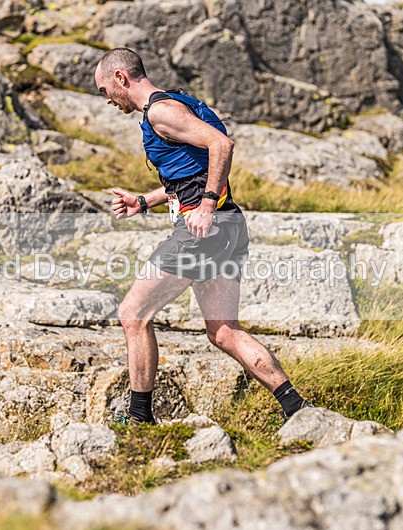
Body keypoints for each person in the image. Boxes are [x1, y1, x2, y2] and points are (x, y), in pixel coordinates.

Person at [94, 48, 313, 425]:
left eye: (104, 90)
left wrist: (207, 204)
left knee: (133, 314)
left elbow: (221, 146)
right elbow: (190, 174)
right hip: (228, 226)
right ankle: (296, 407)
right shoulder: (179, 102)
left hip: (204, 229)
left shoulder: (161, 112)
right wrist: (145, 201)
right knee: (224, 331)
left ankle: (139, 419)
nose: (107, 99)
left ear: (120, 78)